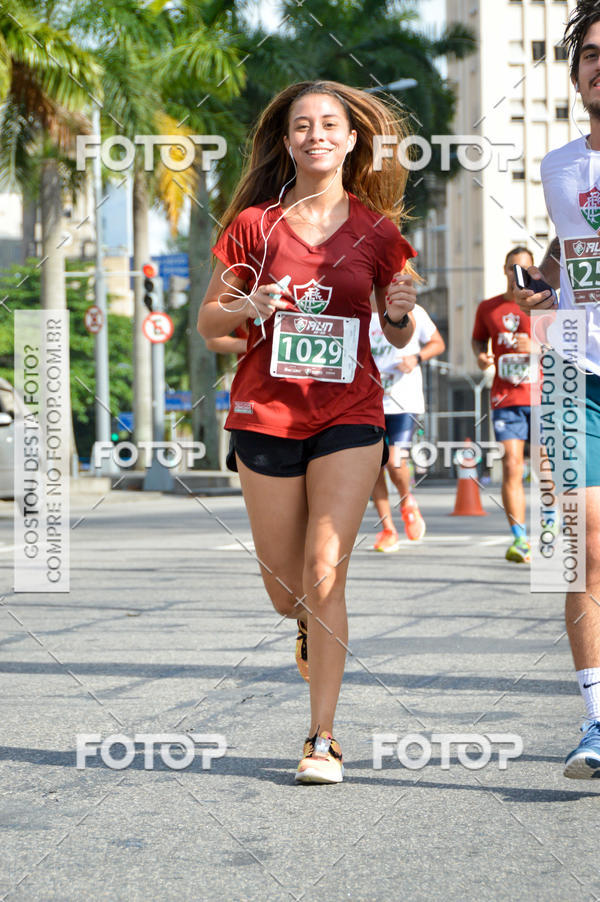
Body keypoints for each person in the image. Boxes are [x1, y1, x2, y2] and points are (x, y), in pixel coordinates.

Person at [197, 80, 417, 784]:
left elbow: (396, 321)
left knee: (326, 573)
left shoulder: (379, 232)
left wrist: (402, 311)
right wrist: (249, 303)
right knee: (285, 587)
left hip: (351, 415)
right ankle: (301, 622)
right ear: (286, 140)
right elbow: (209, 325)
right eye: (302, 125)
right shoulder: (255, 227)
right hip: (266, 414)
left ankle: (322, 738)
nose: (316, 134)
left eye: (330, 124)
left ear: (353, 140)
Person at [514, 0, 600, 779]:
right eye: (594, 53)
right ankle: (598, 722)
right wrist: (541, 284)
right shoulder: (558, 167)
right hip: (576, 366)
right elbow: (566, 247)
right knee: (579, 548)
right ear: (576, 75)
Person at [472, 247, 541, 564]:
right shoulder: (489, 308)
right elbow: (478, 339)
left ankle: (551, 526)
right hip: (505, 398)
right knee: (512, 466)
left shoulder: (544, 304)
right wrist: (481, 354)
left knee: (547, 469)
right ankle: (519, 540)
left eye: (525, 269)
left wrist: (538, 345)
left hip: (542, 396)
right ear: (504, 270)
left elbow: (569, 340)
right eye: (514, 268)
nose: (519, 274)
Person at [369, 301, 445, 551]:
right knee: (372, 469)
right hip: (368, 402)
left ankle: (405, 500)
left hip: (404, 401)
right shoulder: (356, 308)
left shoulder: (414, 311)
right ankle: (388, 529)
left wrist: (416, 357)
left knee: (394, 460)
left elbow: (438, 343)